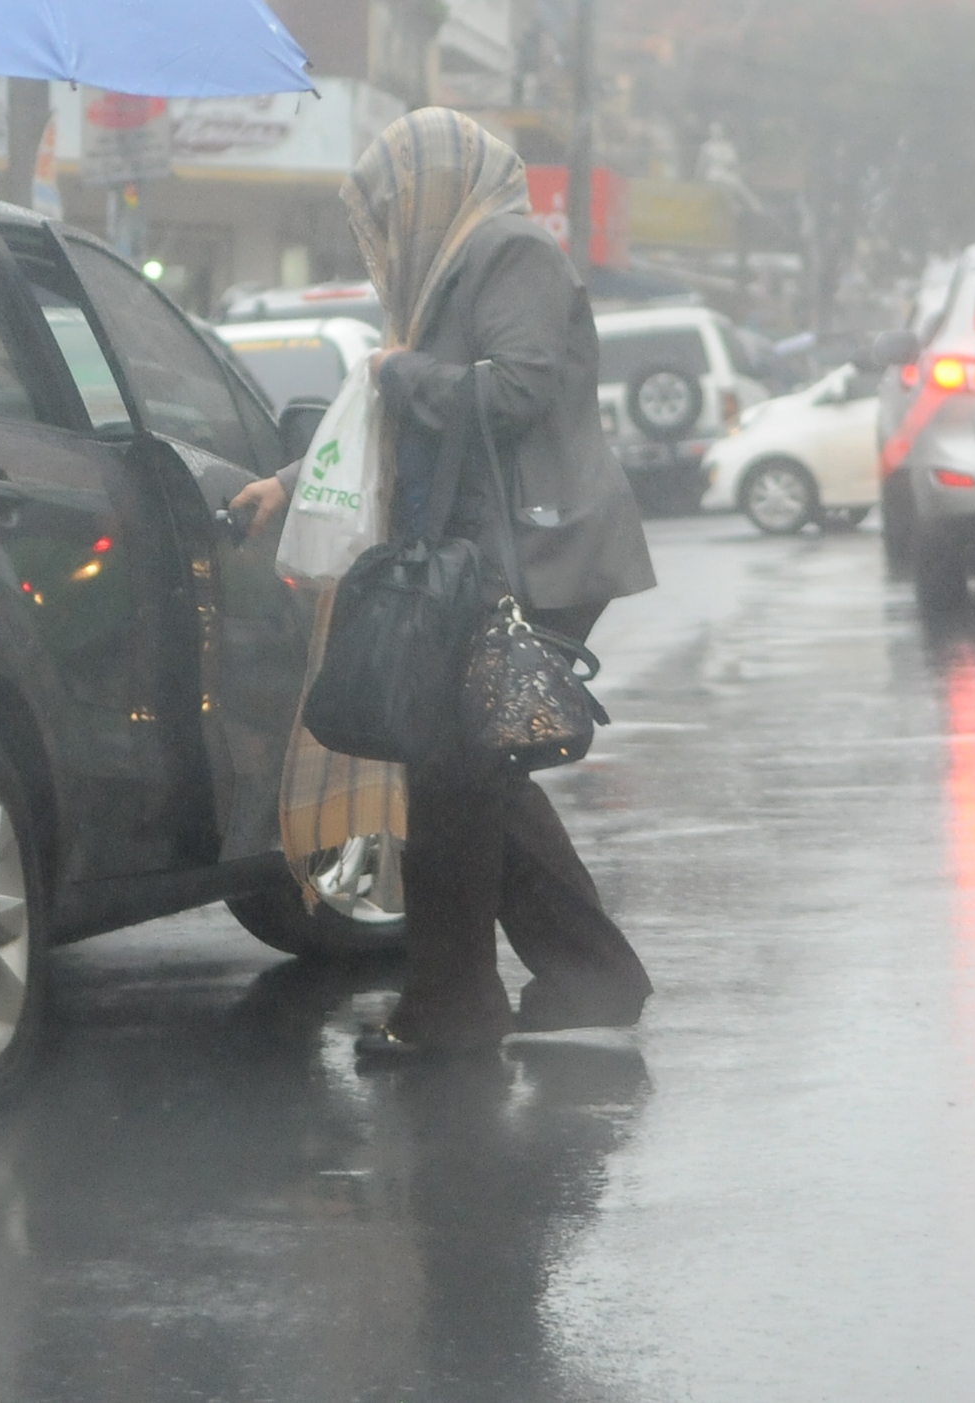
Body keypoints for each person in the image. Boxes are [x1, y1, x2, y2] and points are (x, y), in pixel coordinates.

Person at [231, 107, 657, 1056]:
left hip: (535, 550)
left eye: (391, 204)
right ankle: (583, 977)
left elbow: (514, 389)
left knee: (458, 776)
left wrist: (405, 371)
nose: (384, 227)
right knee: (474, 774)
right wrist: (290, 484)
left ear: (433, 193)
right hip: (481, 552)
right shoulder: (449, 273)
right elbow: (381, 435)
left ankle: (455, 1010)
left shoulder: (510, 253)